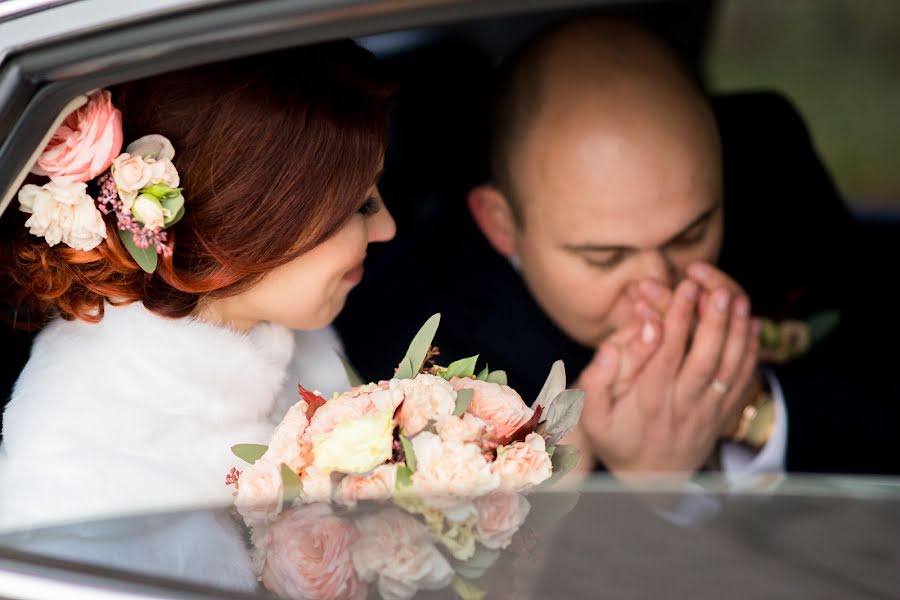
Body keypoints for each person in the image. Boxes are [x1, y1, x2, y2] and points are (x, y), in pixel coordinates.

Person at [337, 17, 900, 481]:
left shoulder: (770, 162)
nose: (661, 287)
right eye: (604, 258)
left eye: (691, 234)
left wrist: (756, 413)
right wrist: (634, 492)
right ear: (502, 225)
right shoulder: (401, 337)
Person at [0, 41, 396, 587]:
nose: (387, 229)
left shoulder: (293, 337)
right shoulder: (77, 493)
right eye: (359, 205)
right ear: (246, 222)